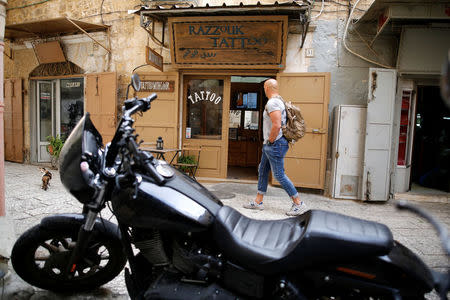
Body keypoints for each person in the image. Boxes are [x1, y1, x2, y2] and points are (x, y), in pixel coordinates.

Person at [243, 79, 307, 216]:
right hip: (271, 144)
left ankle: (298, 203)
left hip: (275, 144)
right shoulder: (279, 100)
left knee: (279, 175)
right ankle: (258, 201)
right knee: (263, 169)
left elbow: (277, 125)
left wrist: (271, 140)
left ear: (266, 88)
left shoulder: (272, 103)